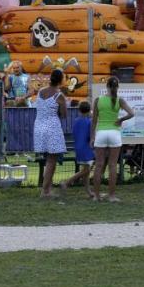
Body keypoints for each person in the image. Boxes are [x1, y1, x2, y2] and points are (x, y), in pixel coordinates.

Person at [91, 77, 135, 202]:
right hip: (114, 133)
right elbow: (132, 113)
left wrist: (92, 137)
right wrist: (120, 120)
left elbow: (94, 121)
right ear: (117, 87)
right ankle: (111, 196)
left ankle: (96, 196)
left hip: (101, 133)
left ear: (107, 86)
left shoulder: (98, 100)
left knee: (99, 165)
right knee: (112, 166)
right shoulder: (119, 100)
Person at [34, 69, 68, 199]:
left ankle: (47, 188)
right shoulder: (59, 96)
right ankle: (45, 191)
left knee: (49, 159)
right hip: (52, 127)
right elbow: (64, 115)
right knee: (51, 160)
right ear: (60, 80)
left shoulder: (41, 91)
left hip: (39, 126)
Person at [63, 100, 97, 200]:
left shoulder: (76, 121)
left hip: (78, 147)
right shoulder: (90, 122)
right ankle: (67, 182)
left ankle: (89, 192)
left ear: (79, 110)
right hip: (87, 148)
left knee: (85, 171)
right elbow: (90, 136)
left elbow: (75, 134)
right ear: (89, 110)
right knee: (86, 171)